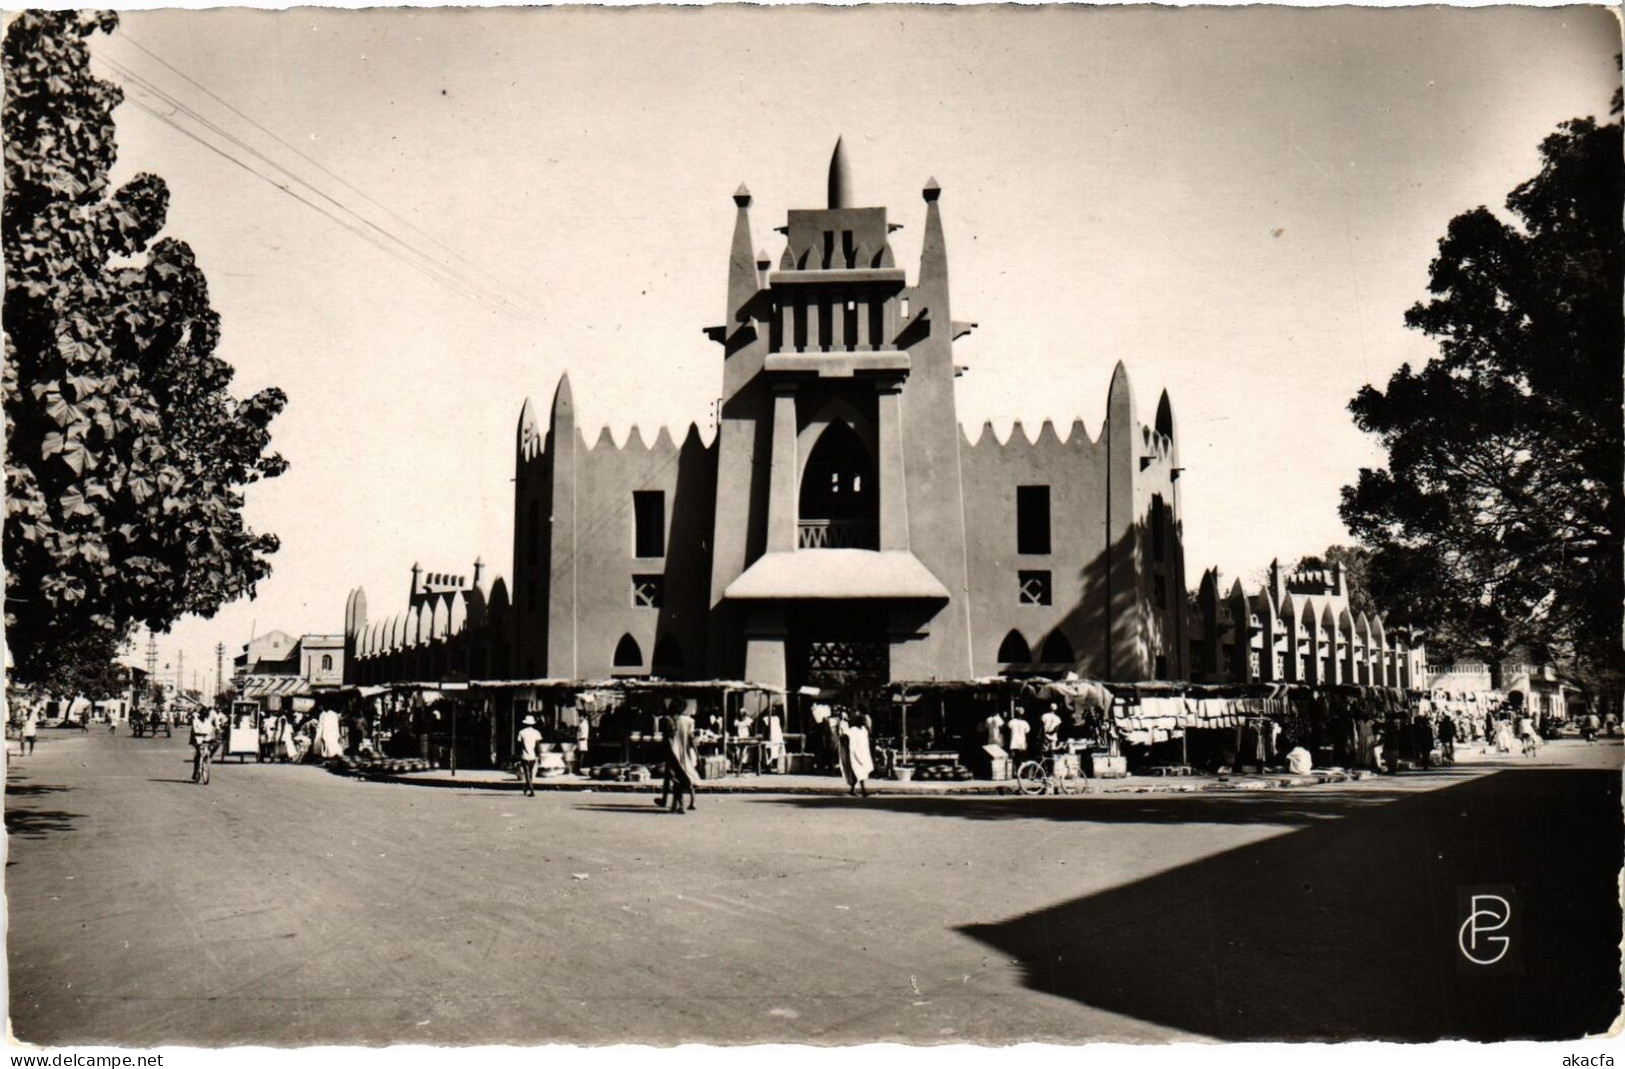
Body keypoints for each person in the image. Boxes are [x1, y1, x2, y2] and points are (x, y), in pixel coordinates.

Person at [655, 699, 699, 813]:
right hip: (684, 753)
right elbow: (691, 739)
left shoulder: (667, 720)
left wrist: (666, 753)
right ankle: (686, 803)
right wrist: (697, 755)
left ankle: (680, 805)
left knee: (675, 780)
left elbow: (668, 739)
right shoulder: (688, 721)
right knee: (685, 777)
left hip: (673, 753)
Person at [840, 710, 875, 798]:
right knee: (859, 772)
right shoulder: (853, 730)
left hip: (862, 754)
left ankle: (853, 790)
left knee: (860, 772)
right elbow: (844, 737)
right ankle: (863, 791)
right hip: (854, 754)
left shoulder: (864, 730)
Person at [516, 715, 544, 797]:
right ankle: (527, 788)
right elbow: (538, 746)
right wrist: (539, 755)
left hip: (524, 755)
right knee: (531, 774)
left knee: (527, 774)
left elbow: (519, 745)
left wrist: (518, 755)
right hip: (533, 756)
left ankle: (531, 790)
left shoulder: (521, 732)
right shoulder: (536, 732)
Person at [188, 707, 215, 785]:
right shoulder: (195, 721)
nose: (204, 716)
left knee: (212, 747)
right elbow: (195, 730)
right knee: (198, 754)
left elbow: (210, 730)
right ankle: (196, 772)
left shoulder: (208, 721)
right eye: (203, 714)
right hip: (197, 738)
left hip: (206, 738)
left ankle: (207, 760)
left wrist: (209, 737)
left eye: (206, 714)